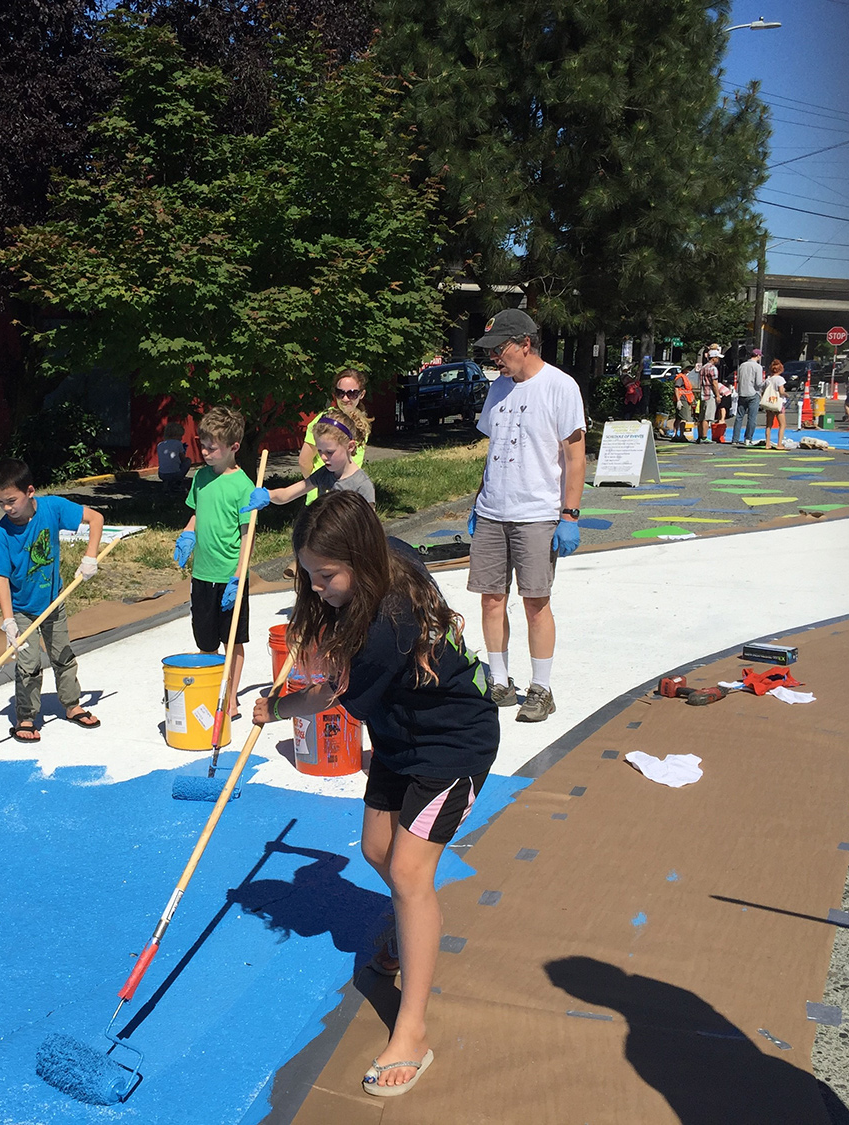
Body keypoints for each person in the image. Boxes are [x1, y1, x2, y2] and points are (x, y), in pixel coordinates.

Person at [251, 491, 499, 1097]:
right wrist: (314, 587)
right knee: (375, 851)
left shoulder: (386, 629)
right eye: (307, 575)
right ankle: (407, 927)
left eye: (326, 576)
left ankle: (410, 1029)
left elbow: (326, 696)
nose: (317, 588)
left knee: (412, 873)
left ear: (359, 560)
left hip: (452, 744)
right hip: (400, 733)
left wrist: (276, 707)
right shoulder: (387, 554)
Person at [466, 307, 586, 722]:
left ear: (526, 344)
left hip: (537, 512)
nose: (496, 359)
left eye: (501, 349)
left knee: (536, 601)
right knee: (491, 599)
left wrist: (570, 515)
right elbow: (494, 449)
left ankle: (541, 688)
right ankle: (499, 680)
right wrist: (478, 502)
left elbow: (574, 455)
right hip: (493, 511)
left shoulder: (560, 386)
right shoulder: (498, 389)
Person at [0, 458, 104, 742]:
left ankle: (72, 705)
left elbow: (96, 518)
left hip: (53, 600)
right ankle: (25, 716)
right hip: (22, 609)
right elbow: (0, 577)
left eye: (12, 500)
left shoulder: (53, 509)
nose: (7, 508)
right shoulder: (2, 534)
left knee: (62, 655)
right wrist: (8, 620)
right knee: (28, 664)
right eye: (1, 503)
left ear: (30, 491)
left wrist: (90, 556)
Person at [175, 405, 257, 714]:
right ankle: (212, 688)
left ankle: (231, 694)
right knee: (205, 639)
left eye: (212, 447)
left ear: (233, 448)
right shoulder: (201, 477)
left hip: (230, 576)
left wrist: (239, 576)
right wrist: (187, 534)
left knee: (232, 640)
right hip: (202, 574)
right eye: (203, 444)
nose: (206, 452)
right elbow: (197, 513)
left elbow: (247, 535)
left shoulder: (243, 486)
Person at [243, 408, 376, 510]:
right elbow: (287, 494)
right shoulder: (324, 474)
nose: (323, 457)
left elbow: (370, 530)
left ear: (351, 446)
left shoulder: (362, 485)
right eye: (319, 451)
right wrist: (268, 495)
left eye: (330, 452)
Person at [299, 368, 370, 502]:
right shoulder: (324, 421)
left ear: (362, 394)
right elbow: (304, 461)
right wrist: (318, 485)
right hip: (323, 499)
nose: (345, 398)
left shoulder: (361, 424)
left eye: (352, 393)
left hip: (348, 497)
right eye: (340, 393)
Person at [734, 347, 764, 446]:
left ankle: (735, 439)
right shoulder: (758, 367)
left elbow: (738, 379)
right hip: (753, 393)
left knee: (739, 417)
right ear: (758, 356)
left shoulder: (742, 365)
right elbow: (759, 383)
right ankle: (748, 438)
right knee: (752, 418)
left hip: (742, 393)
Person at [696, 345, 723, 443]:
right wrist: (717, 395)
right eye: (718, 358)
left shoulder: (703, 367)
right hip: (710, 394)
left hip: (703, 393)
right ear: (714, 358)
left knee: (701, 417)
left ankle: (699, 436)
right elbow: (714, 383)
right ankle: (704, 437)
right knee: (707, 417)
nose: (718, 360)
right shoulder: (713, 368)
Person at [155, 422, 190, 492]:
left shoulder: (160, 444)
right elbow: (183, 459)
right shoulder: (178, 444)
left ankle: (166, 483)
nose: (181, 438)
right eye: (180, 436)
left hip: (161, 474)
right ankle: (177, 482)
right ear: (176, 435)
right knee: (188, 461)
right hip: (175, 474)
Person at [760, 359, 787, 450]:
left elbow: (763, 391)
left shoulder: (768, 380)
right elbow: (781, 391)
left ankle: (767, 443)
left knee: (768, 425)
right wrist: (786, 394)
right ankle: (779, 444)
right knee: (782, 424)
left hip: (769, 403)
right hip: (778, 403)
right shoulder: (780, 379)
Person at [672, 364, 696, 441]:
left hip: (686, 399)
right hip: (682, 399)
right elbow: (676, 389)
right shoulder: (681, 377)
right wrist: (678, 400)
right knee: (683, 418)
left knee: (679, 418)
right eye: (688, 368)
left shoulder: (686, 377)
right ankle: (679, 435)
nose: (690, 370)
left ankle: (677, 435)